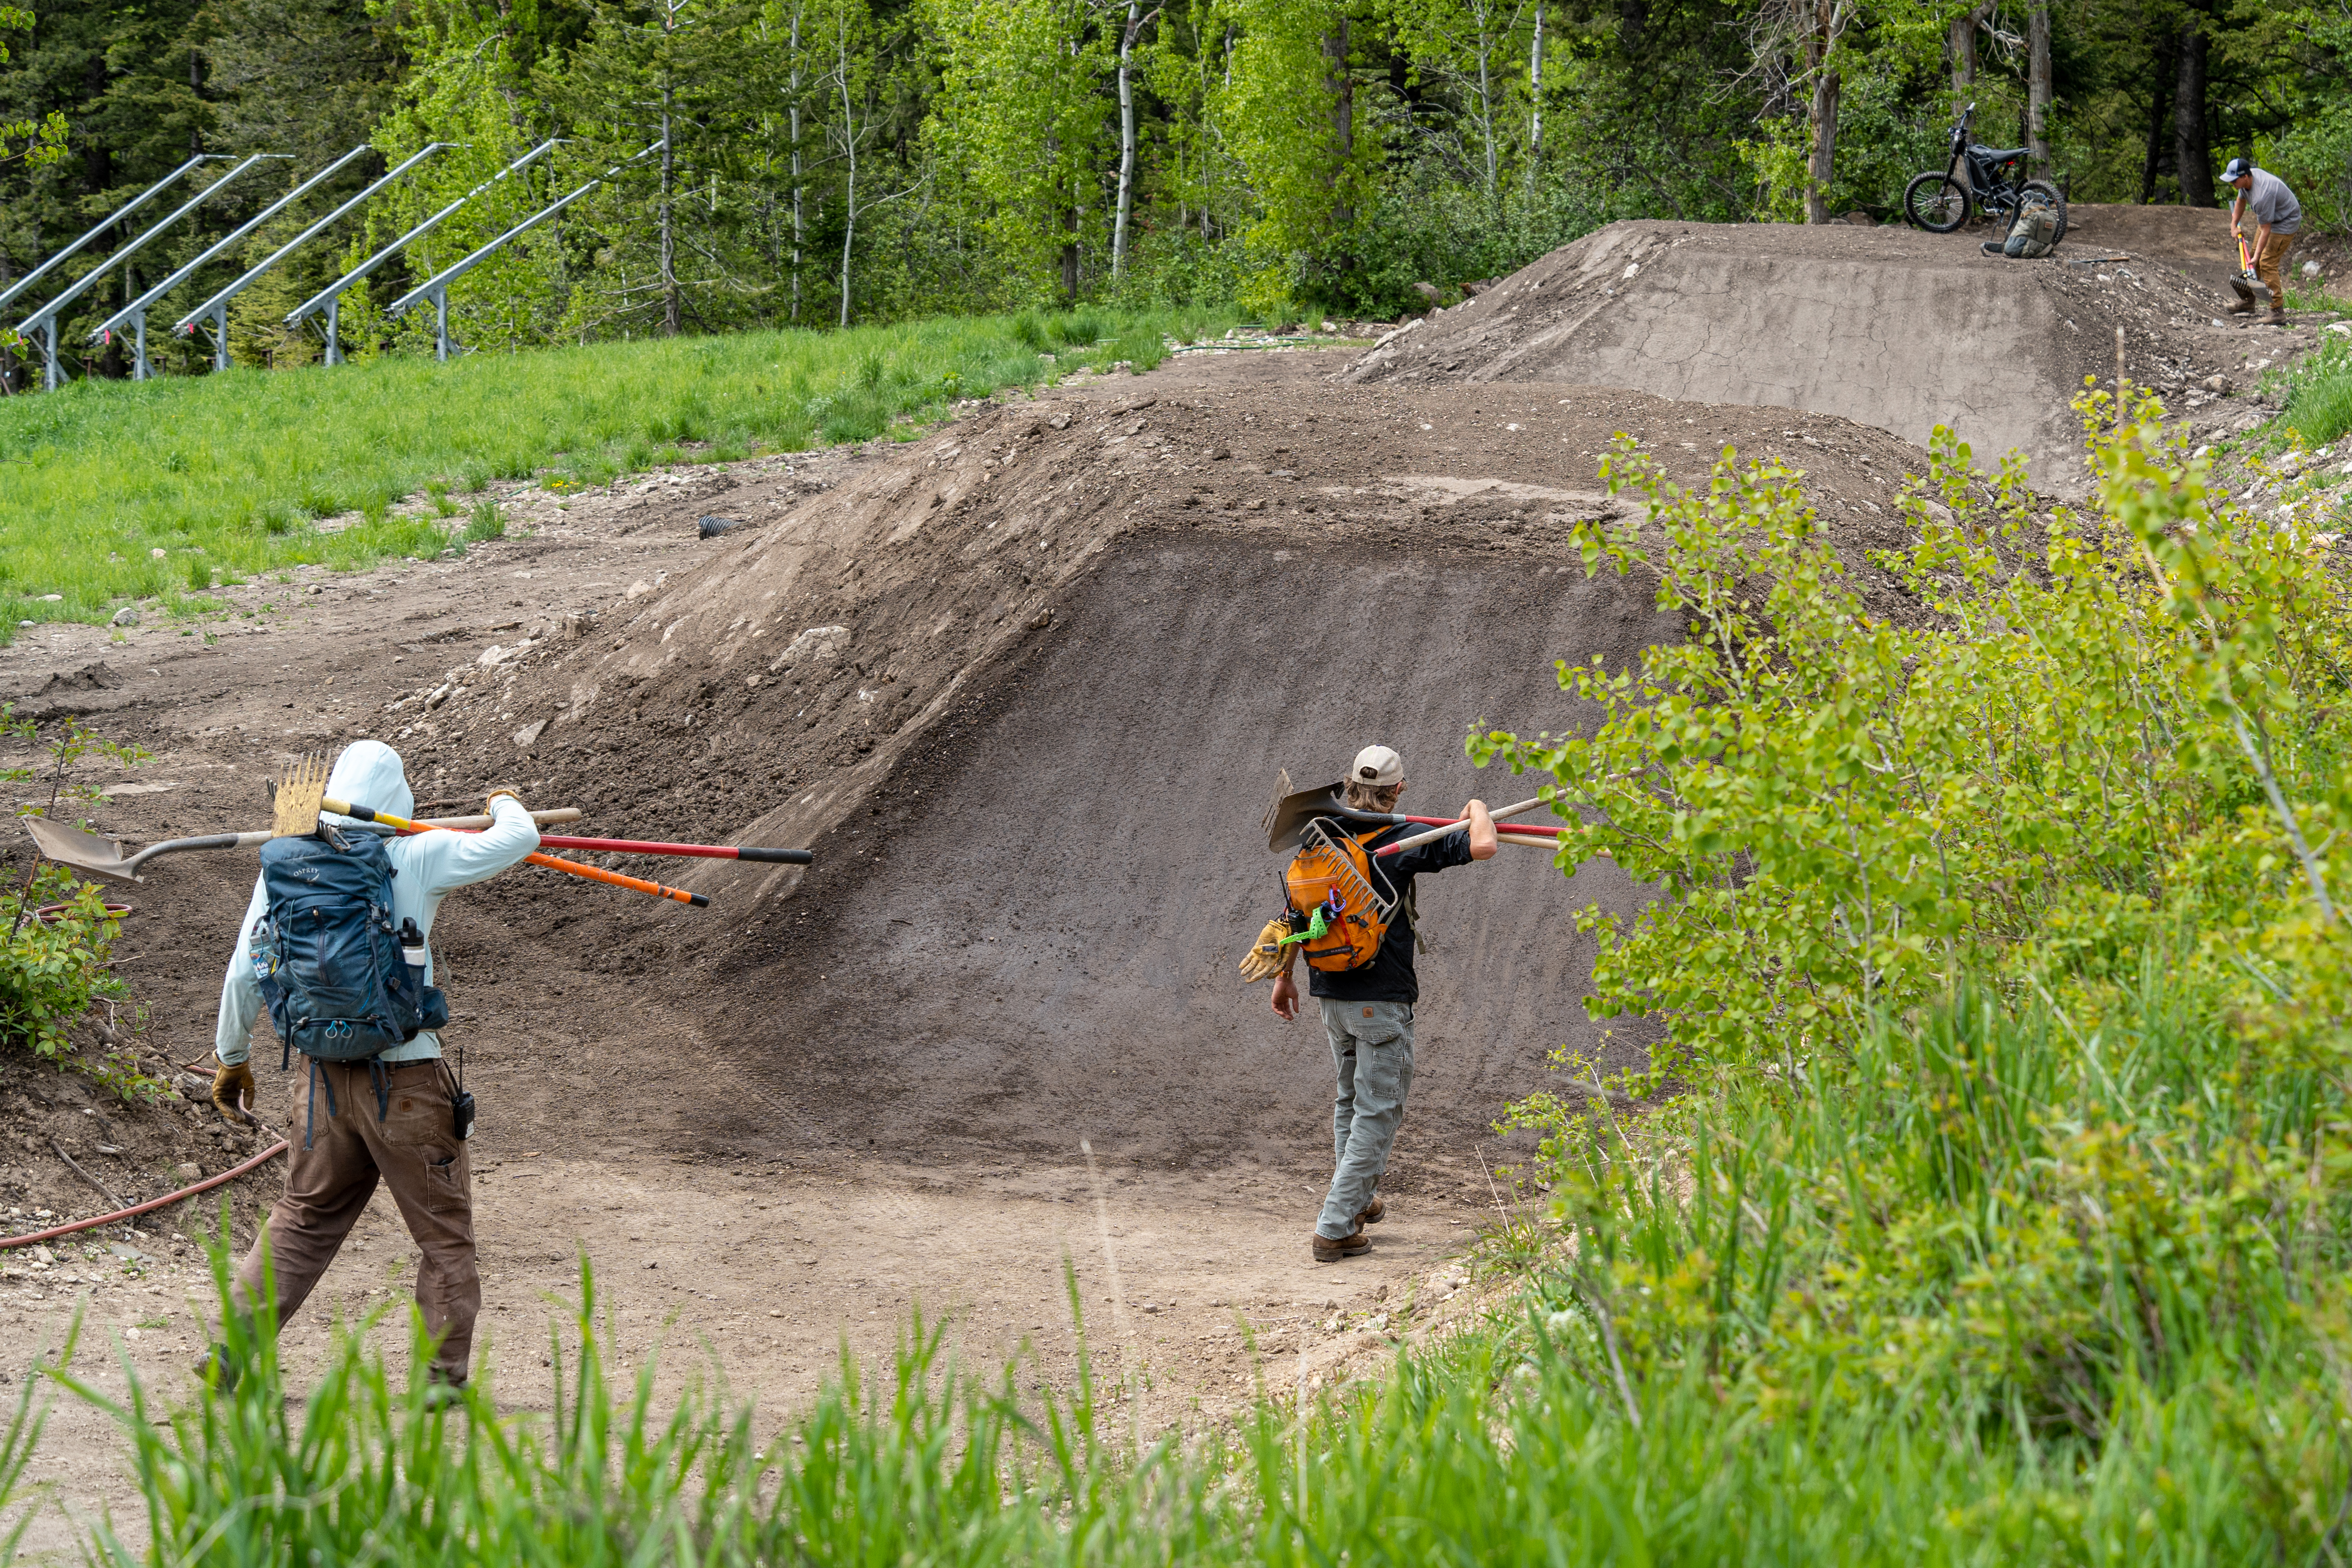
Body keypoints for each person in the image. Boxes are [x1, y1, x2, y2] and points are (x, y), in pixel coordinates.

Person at [202, 741, 540, 1397]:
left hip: (319, 1081)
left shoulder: (284, 861)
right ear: (398, 801)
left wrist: (233, 1058)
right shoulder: (418, 852)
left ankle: (230, 1350)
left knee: (301, 1217)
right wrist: (500, 801)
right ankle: (439, 1379)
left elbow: (245, 971)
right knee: (443, 1234)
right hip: (408, 1083)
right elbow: (519, 838)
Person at [1267, 745, 1495, 1262]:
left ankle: (1360, 1200)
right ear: (1399, 791)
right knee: (1376, 1110)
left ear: (1348, 786)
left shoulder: (1318, 835)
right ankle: (1335, 1225)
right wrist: (1477, 806)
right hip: (1381, 1001)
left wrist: (1284, 978)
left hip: (1329, 992)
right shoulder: (1403, 839)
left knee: (1350, 1101)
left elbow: (1295, 913)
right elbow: (1483, 844)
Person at [2224, 157, 2301, 328]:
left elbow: (2266, 230)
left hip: (2285, 222)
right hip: (2272, 220)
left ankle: (2277, 312)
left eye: (2234, 180)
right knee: (2252, 260)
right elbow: (2240, 202)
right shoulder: (2246, 183)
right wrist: (2233, 226)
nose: (2231, 183)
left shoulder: (2262, 195)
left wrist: (2258, 256)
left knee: (2266, 262)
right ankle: (2248, 301)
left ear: (2245, 177)